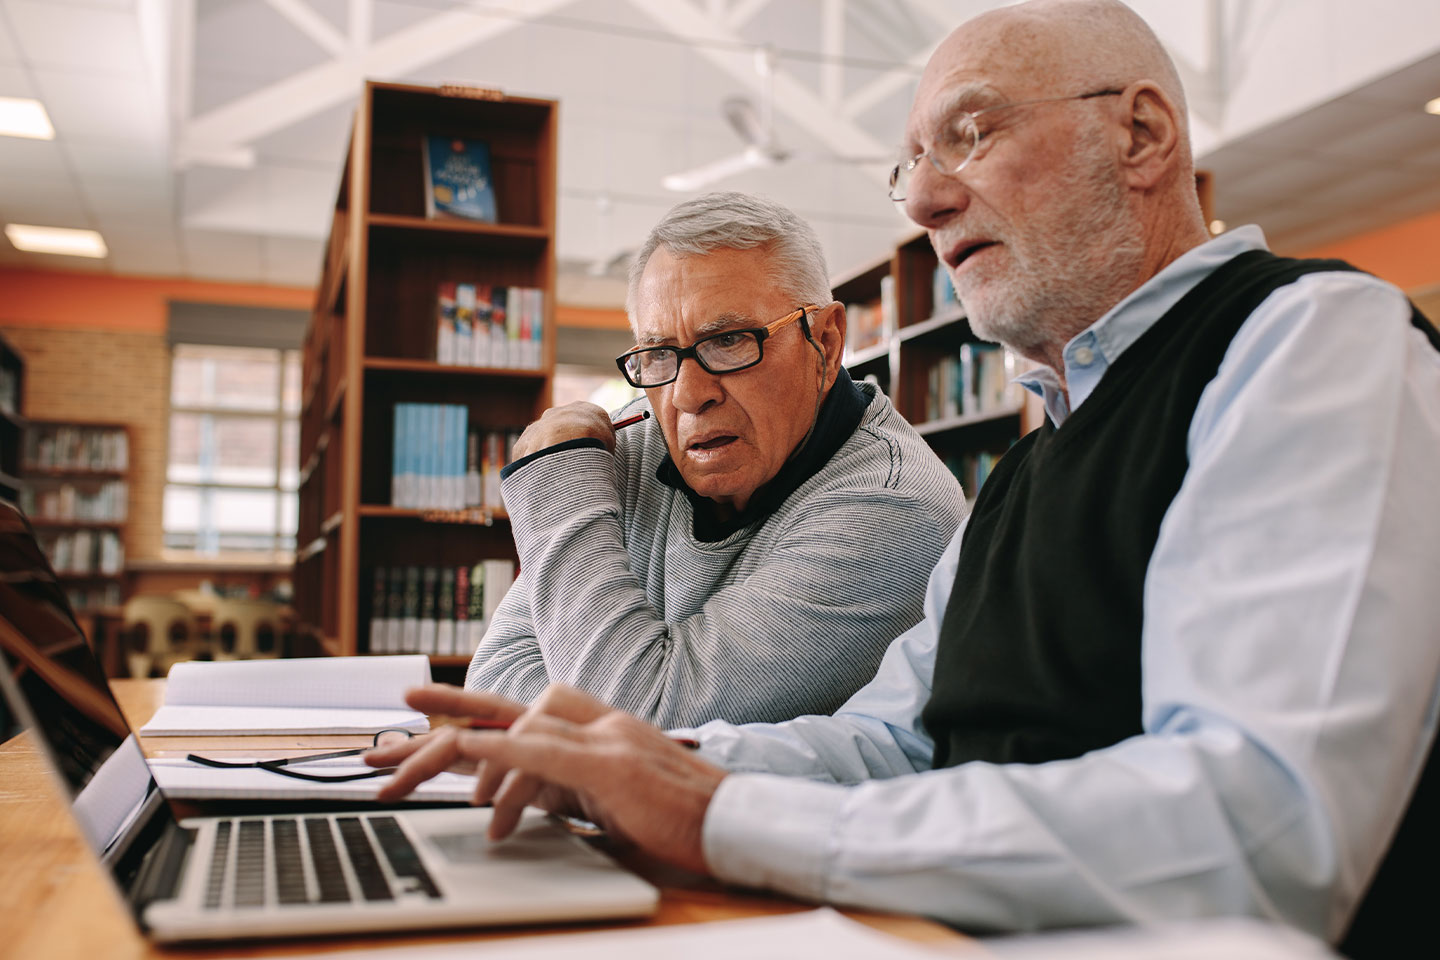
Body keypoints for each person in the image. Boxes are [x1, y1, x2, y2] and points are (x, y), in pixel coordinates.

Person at [369, 1, 1440, 954]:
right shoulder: (1029, 467)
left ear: (1142, 134)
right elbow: (895, 741)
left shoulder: (1308, 342)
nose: (924, 199)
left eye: (972, 134)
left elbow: (1259, 828)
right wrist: (632, 760)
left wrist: (713, 813)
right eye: (910, 161)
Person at [466, 191, 965, 727]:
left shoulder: (892, 506)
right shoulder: (633, 443)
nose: (686, 395)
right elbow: (494, 680)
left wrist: (556, 485)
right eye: (658, 353)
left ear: (826, 340)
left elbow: (641, 728)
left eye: (728, 341)